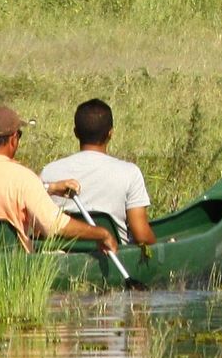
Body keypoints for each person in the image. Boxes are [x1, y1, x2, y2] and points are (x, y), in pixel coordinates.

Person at [0, 105, 118, 254]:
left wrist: (50, 187)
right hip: (11, 259)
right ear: (14, 139)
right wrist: (101, 233)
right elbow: (55, 226)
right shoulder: (22, 176)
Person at [40, 99, 156, 248]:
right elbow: (142, 236)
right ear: (111, 133)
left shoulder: (50, 171)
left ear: (76, 133)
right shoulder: (129, 173)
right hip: (112, 254)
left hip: (62, 252)